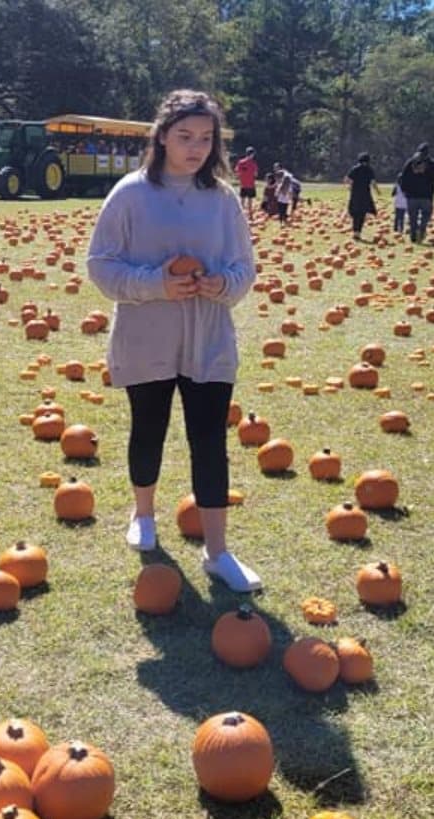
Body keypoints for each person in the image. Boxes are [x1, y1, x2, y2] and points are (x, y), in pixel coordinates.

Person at [87, 89, 261, 592]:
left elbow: (243, 267)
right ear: (161, 136)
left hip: (208, 341)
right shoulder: (131, 193)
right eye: (185, 136)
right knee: (149, 428)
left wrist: (221, 285)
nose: (196, 148)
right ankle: (143, 513)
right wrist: (155, 284)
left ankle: (218, 552)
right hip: (146, 338)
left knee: (210, 442)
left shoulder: (223, 199)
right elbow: (101, 265)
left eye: (206, 139)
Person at [397, 142, 434, 243]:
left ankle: (413, 236)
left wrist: (404, 190)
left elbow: (403, 178)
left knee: (412, 217)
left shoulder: (410, 162)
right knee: (426, 215)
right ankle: (422, 229)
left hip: (412, 195)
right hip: (426, 195)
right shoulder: (431, 163)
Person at [343, 152, 380, 241]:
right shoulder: (369, 169)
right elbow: (373, 182)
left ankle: (355, 232)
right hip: (365, 195)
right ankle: (358, 232)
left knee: (355, 213)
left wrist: (349, 187)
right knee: (362, 214)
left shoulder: (355, 169)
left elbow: (347, 179)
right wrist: (377, 191)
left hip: (355, 194)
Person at [233, 146, 259, 216]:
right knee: (250, 201)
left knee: (242, 201)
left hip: (243, 184)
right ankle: (250, 215)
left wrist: (242, 176)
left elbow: (236, 171)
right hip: (251, 184)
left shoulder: (241, 162)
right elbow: (256, 174)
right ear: (252, 154)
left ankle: (240, 215)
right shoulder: (253, 164)